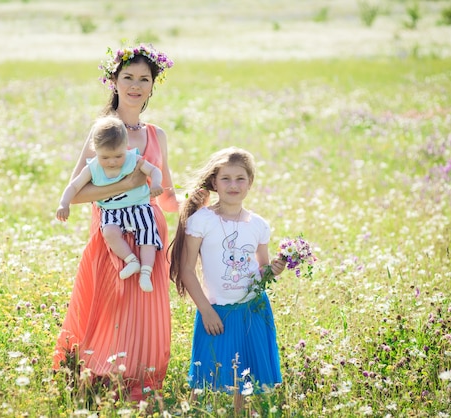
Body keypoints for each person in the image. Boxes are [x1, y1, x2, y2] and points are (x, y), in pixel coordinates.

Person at [52, 43, 178, 402]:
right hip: (112, 235)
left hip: (149, 234)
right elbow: (76, 193)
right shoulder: (104, 132)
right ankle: (101, 380)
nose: (135, 85)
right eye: (128, 77)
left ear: (154, 85)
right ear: (114, 81)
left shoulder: (157, 135)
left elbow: (166, 194)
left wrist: (199, 205)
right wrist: (130, 184)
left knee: (145, 312)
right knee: (112, 307)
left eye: (144, 79)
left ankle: (139, 383)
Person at [168, 147, 286, 410]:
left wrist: (274, 270)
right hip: (216, 310)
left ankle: (239, 412)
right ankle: (194, 412)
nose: (233, 185)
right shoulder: (202, 220)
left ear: (250, 183)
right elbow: (186, 269)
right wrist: (206, 310)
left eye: (240, 179)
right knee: (205, 375)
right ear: (214, 182)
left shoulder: (258, 224)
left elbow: (261, 271)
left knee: (245, 379)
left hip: (253, 310)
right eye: (226, 178)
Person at [56, 115, 164, 292]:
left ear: (126, 146)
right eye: (105, 157)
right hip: (111, 211)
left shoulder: (132, 158)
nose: (113, 162)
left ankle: (146, 272)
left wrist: (157, 183)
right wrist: (63, 203)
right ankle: (132, 261)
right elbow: (74, 186)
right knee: (109, 232)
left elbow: (154, 170)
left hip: (138, 206)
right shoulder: (93, 167)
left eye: (118, 156)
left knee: (148, 236)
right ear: (95, 150)